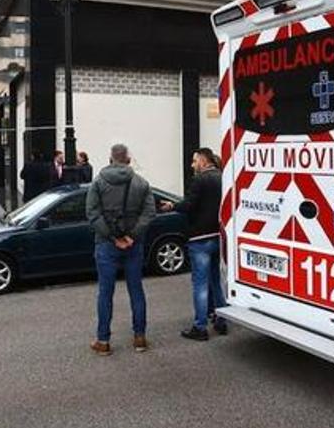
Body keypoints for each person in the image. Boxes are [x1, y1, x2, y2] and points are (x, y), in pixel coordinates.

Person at [86, 143, 155, 355]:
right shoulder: (141, 183)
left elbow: (92, 213)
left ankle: (103, 341)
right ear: (127, 159)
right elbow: (149, 212)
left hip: (107, 244)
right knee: (136, 290)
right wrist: (132, 235)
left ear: (110, 158)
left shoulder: (98, 182)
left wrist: (112, 236)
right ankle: (140, 338)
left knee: (105, 293)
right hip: (133, 245)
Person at [160, 148, 228, 340]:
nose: (192, 165)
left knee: (200, 284)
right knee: (215, 280)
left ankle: (200, 327)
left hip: (200, 238)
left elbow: (190, 205)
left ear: (204, 161)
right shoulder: (223, 177)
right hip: (217, 235)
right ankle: (221, 320)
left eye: (194, 161)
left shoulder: (200, 180)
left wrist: (173, 206)